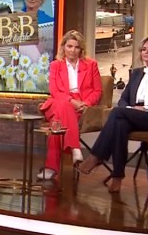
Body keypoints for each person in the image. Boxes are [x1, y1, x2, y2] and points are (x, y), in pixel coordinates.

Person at [77, 35, 148, 192]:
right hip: (131, 114)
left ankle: (96, 157)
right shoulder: (136, 73)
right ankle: (117, 176)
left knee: (118, 114)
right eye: (143, 49)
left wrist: (147, 108)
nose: (146, 52)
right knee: (120, 123)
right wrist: (128, 109)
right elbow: (124, 99)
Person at [37, 30, 102, 180]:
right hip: (58, 101)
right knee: (64, 105)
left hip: (81, 106)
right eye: (69, 46)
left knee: (56, 124)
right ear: (63, 47)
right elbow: (54, 91)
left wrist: (86, 103)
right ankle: (75, 147)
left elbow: (97, 90)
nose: (72, 50)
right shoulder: (55, 65)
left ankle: (51, 168)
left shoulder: (91, 65)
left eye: (76, 47)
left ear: (81, 49)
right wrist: (71, 101)